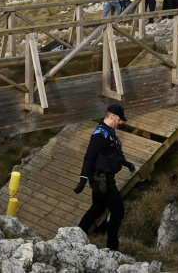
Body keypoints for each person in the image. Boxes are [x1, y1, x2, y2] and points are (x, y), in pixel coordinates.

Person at [73, 104, 136, 251]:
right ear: (112, 117)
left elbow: (112, 154)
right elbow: (89, 157)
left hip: (103, 178)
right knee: (118, 211)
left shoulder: (109, 132)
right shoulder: (100, 135)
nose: (121, 123)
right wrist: (82, 179)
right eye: (120, 120)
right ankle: (112, 247)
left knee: (97, 207)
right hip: (102, 180)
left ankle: (76, 235)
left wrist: (127, 164)